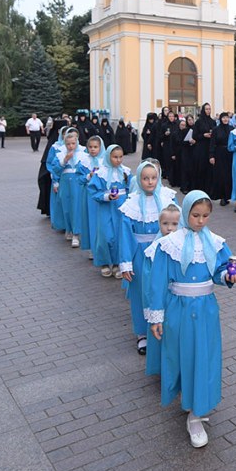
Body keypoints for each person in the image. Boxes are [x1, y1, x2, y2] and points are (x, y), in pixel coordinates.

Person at [146, 189, 236, 448]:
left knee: (205, 356)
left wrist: (229, 276)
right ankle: (189, 399)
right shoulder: (169, 244)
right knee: (182, 356)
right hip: (179, 309)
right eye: (195, 215)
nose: (200, 221)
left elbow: (220, 270)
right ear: (186, 212)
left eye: (205, 216)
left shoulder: (215, 242)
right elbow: (158, 280)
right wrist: (156, 317)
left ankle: (196, 414)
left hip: (206, 309)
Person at [118, 160, 176, 354]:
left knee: (164, 289)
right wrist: (126, 263)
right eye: (145, 178)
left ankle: (165, 327)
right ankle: (142, 333)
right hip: (140, 254)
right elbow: (125, 235)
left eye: (153, 178)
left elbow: (179, 224)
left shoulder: (168, 199)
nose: (150, 182)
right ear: (139, 180)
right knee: (141, 292)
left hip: (164, 251)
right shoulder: (131, 204)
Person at [141, 202, 181, 377]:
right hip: (162, 299)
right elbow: (149, 279)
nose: (169, 228)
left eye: (174, 224)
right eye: (165, 223)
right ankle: (162, 367)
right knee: (161, 331)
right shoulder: (154, 249)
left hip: (177, 299)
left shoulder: (182, 247)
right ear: (159, 224)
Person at [89, 142, 132, 275]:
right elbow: (93, 191)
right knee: (106, 235)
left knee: (120, 234)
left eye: (120, 157)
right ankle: (104, 261)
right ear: (108, 157)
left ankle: (118, 262)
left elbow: (131, 188)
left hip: (122, 207)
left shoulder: (125, 172)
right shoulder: (101, 173)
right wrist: (107, 196)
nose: (118, 160)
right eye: (115, 157)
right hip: (106, 207)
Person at [192, 104, 217, 195]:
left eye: (209, 109)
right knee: (201, 169)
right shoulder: (199, 122)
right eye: (206, 109)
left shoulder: (213, 122)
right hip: (201, 148)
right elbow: (194, 135)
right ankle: (200, 190)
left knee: (210, 170)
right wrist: (203, 135)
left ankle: (209, 190)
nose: (208, 111)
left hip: (210, 147)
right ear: (203, 110)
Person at [212, 111, 232, 205]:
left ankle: (228, 196)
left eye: (227, 117)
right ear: (220, 119)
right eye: (223, 117)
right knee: (221, 175)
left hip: (230, 153)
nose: (225, 119)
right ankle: (222, 196)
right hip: (219, 154)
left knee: (229, 175)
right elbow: (212, 143)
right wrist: (211, 155)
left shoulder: (232, 129)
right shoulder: (216, 129)